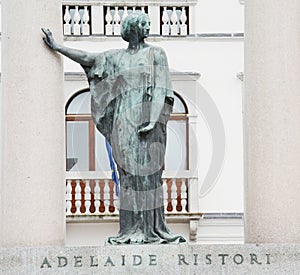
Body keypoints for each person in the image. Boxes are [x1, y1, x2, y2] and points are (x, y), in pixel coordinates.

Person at [42, 11, 186, 244]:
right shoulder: (115, 58)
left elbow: (162, 87)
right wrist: (58, 47)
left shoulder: (156, 53)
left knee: (148, 175)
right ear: (133, 28)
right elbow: (87, 57)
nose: (148, 27)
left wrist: (153, 119)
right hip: (123, 120)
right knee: (127, 175)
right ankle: (130, 230)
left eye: (148, 24)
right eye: (144, 24)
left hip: (147, 121)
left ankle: (152, 230)